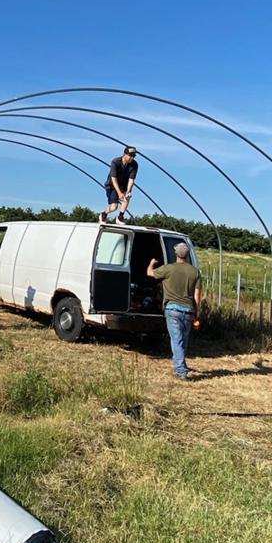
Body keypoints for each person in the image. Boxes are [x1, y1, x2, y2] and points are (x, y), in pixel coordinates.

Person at [147, 243, 201, 380]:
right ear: (188, 255)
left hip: (172, 309)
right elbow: (197, 296)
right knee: (183, 339)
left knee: (176, 340)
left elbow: (149, 273)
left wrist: (152, 263)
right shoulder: (195, 272)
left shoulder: (169, 268)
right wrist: (196, 313)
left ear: (176, 254)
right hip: (188, 310)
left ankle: (181, 371)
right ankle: (181, 364)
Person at [99, 146, 139, 225]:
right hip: (112, 185)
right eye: (130, 156)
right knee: (114, 206)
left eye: (133, 156)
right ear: (124, 154)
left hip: (124, 184)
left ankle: (120, 217)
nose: (132, 158)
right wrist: (119, 193)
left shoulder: (134, 165)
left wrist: (128, 190)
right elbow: (114, 179)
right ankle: (104, 214)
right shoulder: (115, 162)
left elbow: (131, 179)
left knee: (127, 197)